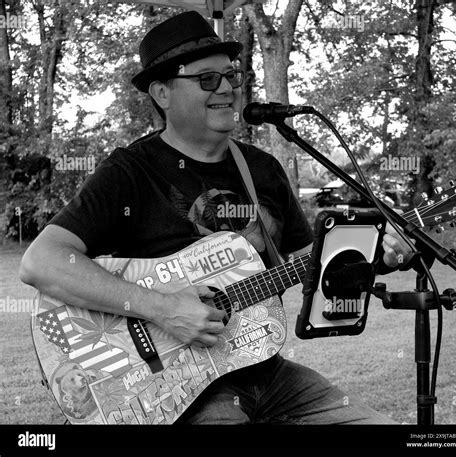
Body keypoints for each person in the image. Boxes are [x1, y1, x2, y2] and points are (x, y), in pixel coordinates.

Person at [20, 11, 413, 425]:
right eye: (208, 79)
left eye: (231, 76)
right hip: (182, 386)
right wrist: (161, 307)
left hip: (268, 371)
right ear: (162, 93)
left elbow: (311, 262)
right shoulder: (129, 173)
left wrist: (375, 253)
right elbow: (41, 262)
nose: (227, 87)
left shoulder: (262, 169)